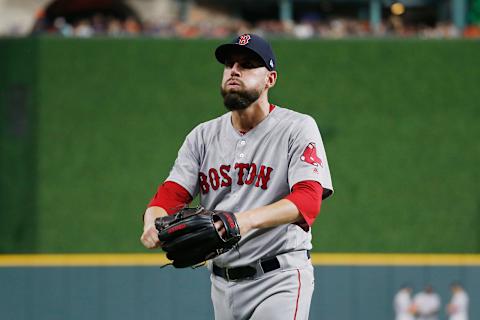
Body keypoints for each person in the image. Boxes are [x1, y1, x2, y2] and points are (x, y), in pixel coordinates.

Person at [140, 33, 333, 320]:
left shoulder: (297, 128)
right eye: (230, 63)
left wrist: (243, 220)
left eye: (247, 64)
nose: (234, 70)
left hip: (279, 278)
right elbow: (170, 195)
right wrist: (151, 222)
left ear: (270, 79)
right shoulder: (202, 136)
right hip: (221, 284)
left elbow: (308, 200)